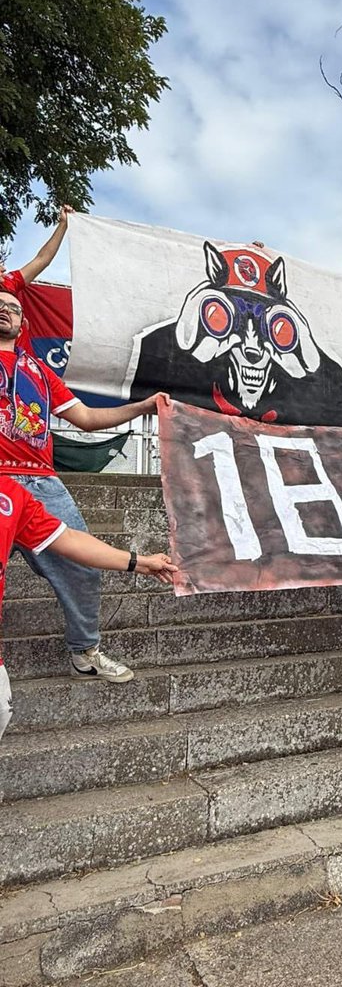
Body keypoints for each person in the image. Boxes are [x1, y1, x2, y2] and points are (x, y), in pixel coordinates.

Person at [0, 285, 167, 682]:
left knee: (83, 567)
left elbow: (88, 419)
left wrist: (143, 406)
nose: (4, 310)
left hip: (41, 482)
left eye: (13, 308)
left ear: (23, 323)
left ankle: (85, 650)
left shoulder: (39, 373)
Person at [0, 473, 176, 741]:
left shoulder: (12, 495)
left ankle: (84, 653)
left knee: (2, 709)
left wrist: (140, 562)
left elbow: (69, 540)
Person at [1, 207, 73, 350]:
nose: (3, 268)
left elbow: (42, 259)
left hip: (23, 361)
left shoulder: (10, 282)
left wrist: (63, 224)